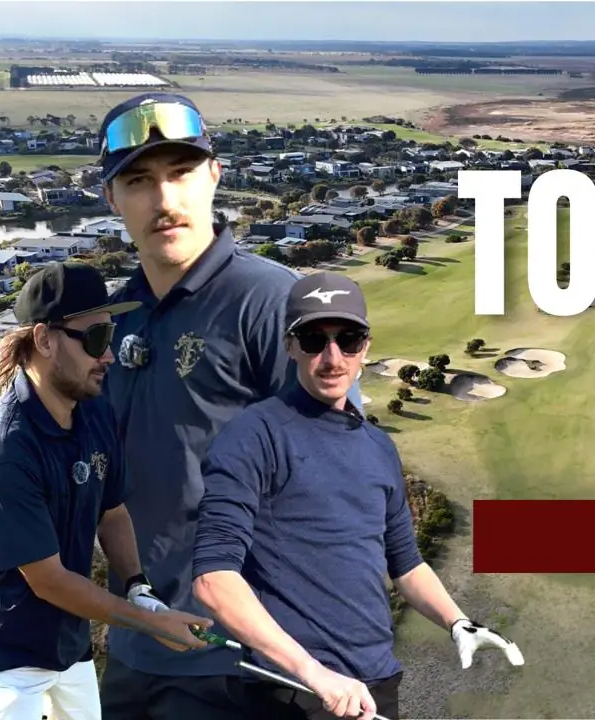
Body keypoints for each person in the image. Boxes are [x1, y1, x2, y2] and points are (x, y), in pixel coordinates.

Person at [92, 92, 364, 718]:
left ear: (214, 175)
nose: (164, 200)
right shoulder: (115, 317)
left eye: (181, 173)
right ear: (111, 199)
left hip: (242, 662)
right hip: (140, 641)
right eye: (138, 181)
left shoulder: (272, 302)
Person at [191, 272, 524, 720]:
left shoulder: (377, 446)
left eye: (348, 340)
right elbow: (214, 581)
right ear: (290, 345)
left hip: (376, 683)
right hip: (292, 693)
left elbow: (405, 563)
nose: (332, 358)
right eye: (313, 339)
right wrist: (313, 673)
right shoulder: (254, 435)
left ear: (365, 348)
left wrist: (457, 621)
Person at [0, 262, 213, 720]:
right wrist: (152, 624)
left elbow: (111, 512)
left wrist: (138, 587)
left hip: (69, 643)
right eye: (94, 340)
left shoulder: (93, 411)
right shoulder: (4, 451)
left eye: (109, 336)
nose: (108, 356)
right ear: (44, 340)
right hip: (7, 654)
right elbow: (48, 579)